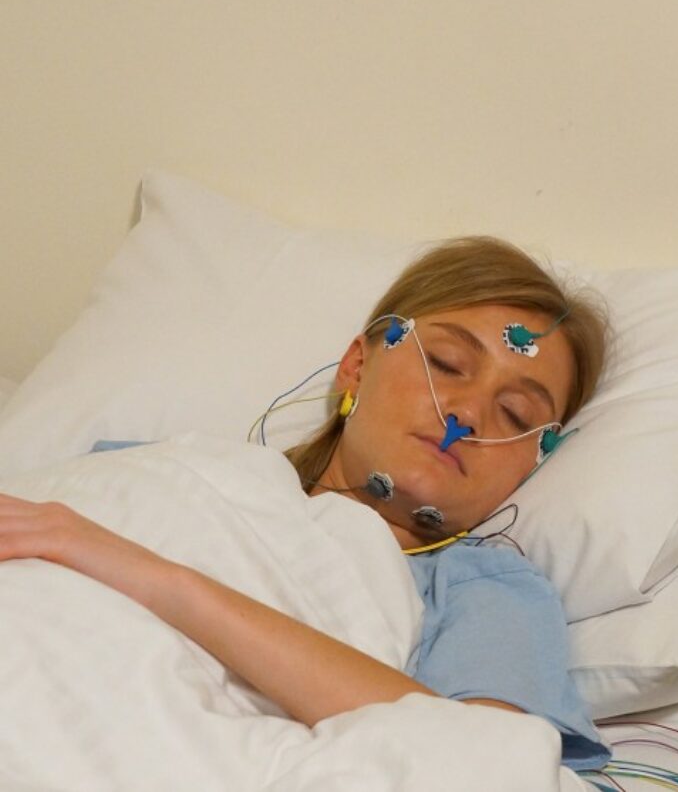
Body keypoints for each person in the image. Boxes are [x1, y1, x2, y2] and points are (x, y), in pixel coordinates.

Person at [0, 236, 612, 772]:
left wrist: (154, 578)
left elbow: (478, 761)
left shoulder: (484, 590)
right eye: (448, 364)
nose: (468, 413)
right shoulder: (176, 468)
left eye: (516, 414)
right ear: (356, 366)